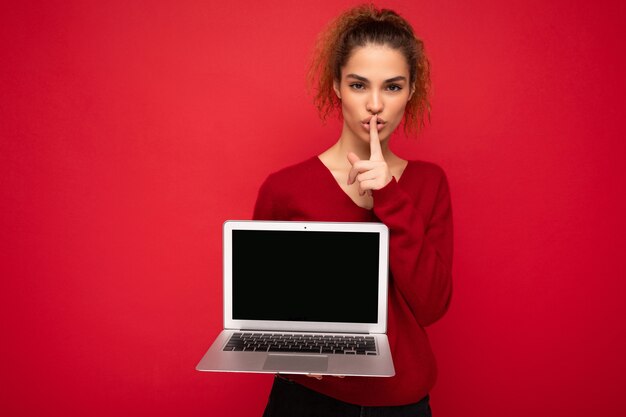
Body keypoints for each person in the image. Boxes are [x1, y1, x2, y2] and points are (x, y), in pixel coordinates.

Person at [253, 3, 453, 416]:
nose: (375, 104)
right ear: (336, 87)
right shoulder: (285, 188)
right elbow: (261, 312)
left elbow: (432, 305)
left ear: (411, 91)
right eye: (359, 85)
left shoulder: (429, 183)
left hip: (400, 401)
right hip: (307, 398)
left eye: (393, 87)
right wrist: (301, 357)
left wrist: (390, 195)